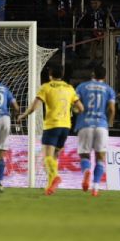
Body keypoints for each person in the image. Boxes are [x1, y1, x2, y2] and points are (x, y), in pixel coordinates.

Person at [18, 64, 83, 195]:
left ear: (50, 75)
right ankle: (50, 186)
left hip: (52, 125)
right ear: (62, 75)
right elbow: (80, 108)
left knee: (47, 157)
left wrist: (24, 115)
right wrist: (73, 109)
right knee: (54, 157)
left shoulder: (46, 87)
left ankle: (55, 178)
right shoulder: (69, 88)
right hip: (65, 127)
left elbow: (34, 107)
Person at [75, 66, 116, 196]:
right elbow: (112, 109)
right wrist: (108, 122)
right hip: (101, 125)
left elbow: (75, 104)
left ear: (93, 74)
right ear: (104, 76)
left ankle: (87, 170)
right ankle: (96, 187)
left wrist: (77, 112)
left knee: (85, 155)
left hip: (85, 124)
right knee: (100, 157)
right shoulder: (109, 90)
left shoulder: (82, 87)